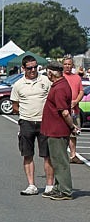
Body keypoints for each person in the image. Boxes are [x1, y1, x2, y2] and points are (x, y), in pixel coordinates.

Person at [11, 55, 54, 196]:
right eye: (29, 68)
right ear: (23, 68)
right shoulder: (18, 85)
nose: (33, 70)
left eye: (35, 67)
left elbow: (52, 98)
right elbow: (15, 105)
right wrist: (24, 113)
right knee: (27, 154)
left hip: (45, 122)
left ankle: (49, 185)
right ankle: (31, 185)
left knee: (47, 155)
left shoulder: (45, 80)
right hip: (26, 122)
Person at [41, 63, 80, 200]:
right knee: (56, 159)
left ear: (51, 73)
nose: (47, 75)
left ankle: (65, 191)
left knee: (60, 161)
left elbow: (64, 112)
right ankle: (58, 187)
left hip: (57, 130)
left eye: (47, 73)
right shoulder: (60, 85)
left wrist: (72, 126)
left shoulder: (59, 88)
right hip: (54, 129)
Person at [60, 56, 83, 164]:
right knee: (62, 134)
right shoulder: (60, 77)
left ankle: (73, 155)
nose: (67, 66)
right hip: (63, 110)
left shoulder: (77, 78)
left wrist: (76, 101)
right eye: (65, 64)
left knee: (74, 133)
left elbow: (81, 92)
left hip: (74, 110)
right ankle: (62, 156)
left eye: (69, 64)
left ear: (72, 65)